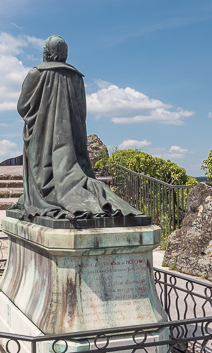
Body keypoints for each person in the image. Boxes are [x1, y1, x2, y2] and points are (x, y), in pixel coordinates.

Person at [9, 36, 145, 223]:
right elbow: (81, 112)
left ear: (46, 53)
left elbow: (23, 106)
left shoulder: (36, 73)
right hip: (71, 138)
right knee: (75, 173)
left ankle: (48, 194)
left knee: (42, 174)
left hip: (41, 136)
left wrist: (40, 120)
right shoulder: (76, 77)